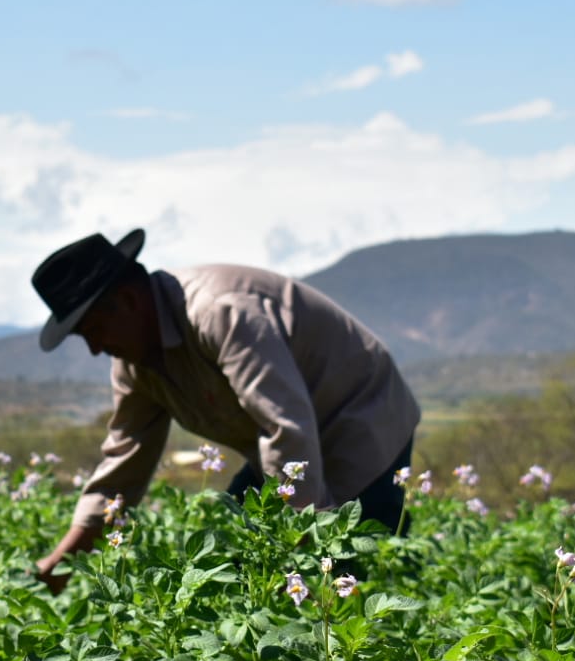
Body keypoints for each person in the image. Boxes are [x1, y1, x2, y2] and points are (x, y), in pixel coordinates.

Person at [30, 227, 420, 594]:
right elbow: (123, 462)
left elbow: (284, 427)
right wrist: (62, 561)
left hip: (361, 418)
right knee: (232, 557)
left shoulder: (222, 312)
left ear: (130, 302)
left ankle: (417, 633)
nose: (96, 348)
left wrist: (300, 541)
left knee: (360, 569)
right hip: (290, 445)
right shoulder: (135, 365)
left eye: (94, 331)